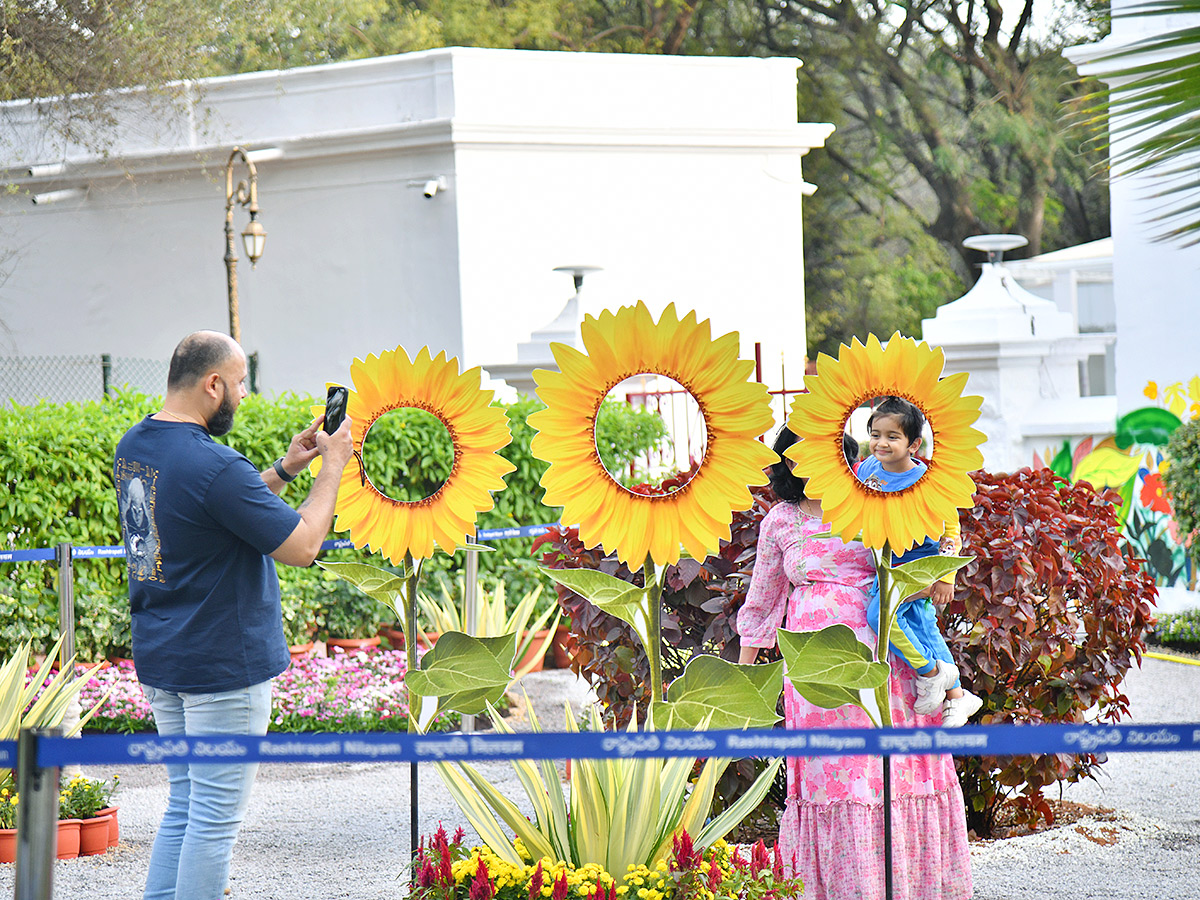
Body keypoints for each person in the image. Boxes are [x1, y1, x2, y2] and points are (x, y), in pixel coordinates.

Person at [113, 330, 355, 900]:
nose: (244, 394)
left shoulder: (135, 445)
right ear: (213, 383)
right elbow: (301, 546)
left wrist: (286, 469)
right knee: (215, 822)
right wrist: (332, 466)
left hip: (165, 658)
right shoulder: (215, 464)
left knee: (186, 806)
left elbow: (211, 512)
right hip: (222, 668)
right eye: (241, 382)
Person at [736, 426, 972, 900]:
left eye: (827, 454)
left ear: (844, 457)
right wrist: (744, 684)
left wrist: (942, 573)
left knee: (892, 771)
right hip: (812, 672)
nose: (815, 466)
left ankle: (911, 888)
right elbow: (762, 604)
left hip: (884, 657)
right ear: (786, 465)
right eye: (800, 458)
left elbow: (928, 537)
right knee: (834, 775)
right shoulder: (780, 521)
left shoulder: (873, 501)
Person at [856, 396, 982, 727]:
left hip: (919, 559)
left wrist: (946, 577)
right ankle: (955, 693)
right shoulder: (868, 469)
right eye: (875, 434)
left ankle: (931, 674)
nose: (881, 443)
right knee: (921, 626)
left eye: (892, 436)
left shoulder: (925, 479)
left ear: (914, 444)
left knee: (878, 614)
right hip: (888, 559)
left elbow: (951, 529)